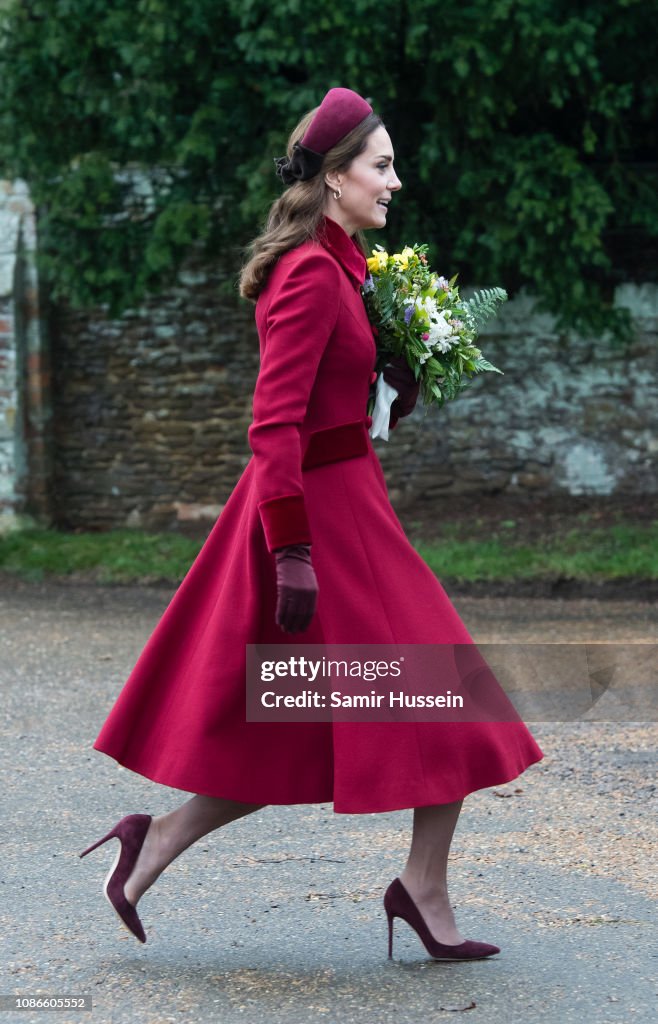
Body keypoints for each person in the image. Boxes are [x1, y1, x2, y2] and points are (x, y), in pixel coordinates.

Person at [80, 87, 543, 961]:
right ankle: (420, 887)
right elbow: (273, 425)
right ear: (333, 179)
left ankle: (159, 845)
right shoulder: (305, 276)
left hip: (351, 506)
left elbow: (330, 411)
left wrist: (393, 399)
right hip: (314, 527)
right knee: (439, 699)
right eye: (381, 166)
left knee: (298, 720)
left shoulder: (347, 270)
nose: (395, 182)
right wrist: (290, 550)